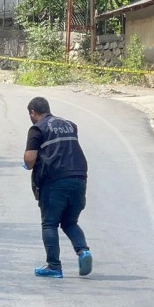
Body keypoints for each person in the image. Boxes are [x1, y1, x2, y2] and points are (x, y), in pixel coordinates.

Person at [23, 96, 92, 279]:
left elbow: (29, 160)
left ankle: (54, 266)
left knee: (50, 223)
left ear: (32, 112)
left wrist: (29, 164)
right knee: (70, 222)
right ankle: (83, 251)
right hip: (79, 178)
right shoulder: (70, 125)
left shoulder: (37, 129)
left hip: (55, 182)